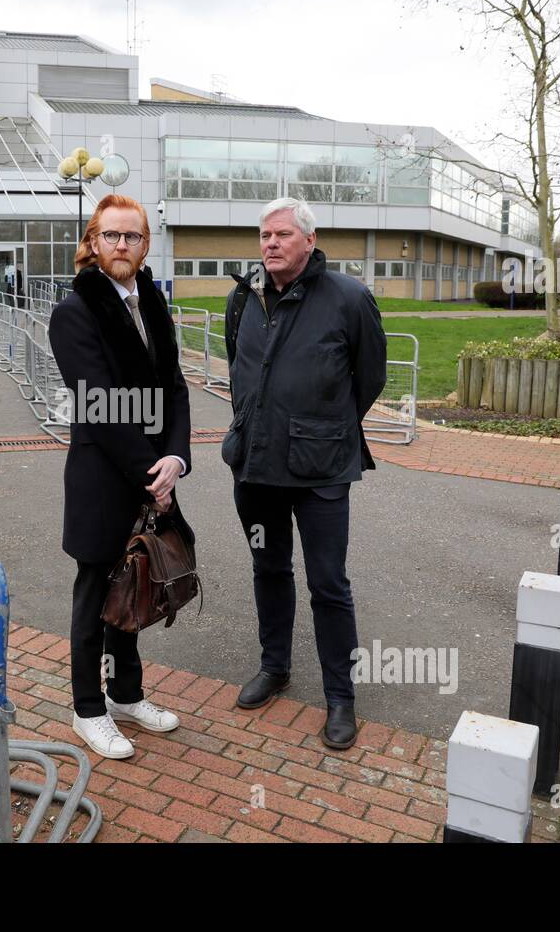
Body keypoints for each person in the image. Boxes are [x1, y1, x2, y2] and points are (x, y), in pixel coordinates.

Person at [221, 197, 388, 750]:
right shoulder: (243, 297)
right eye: (264, 235)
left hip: (320, 469)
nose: (270, 243)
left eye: (282, 235)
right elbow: (240, 371)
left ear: (309, 241)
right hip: (256, 465)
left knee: (328, 584)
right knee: (268, 568)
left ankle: (341, 697)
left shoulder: (348, 298)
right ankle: (276, 667)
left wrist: (325, 427)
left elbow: (369, 379)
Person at [48, 194, 194, 760]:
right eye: (111, 236)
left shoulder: (152, 301)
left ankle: (127, 695)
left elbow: (175, 386)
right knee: (93, 594)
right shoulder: (75, 311)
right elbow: (98, 402)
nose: (122, 246)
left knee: (135, 585)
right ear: (92, 241)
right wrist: (148, 472)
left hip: (156, 473)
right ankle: (88, 709)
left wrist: (176, 459)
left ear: (144, 244)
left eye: (132, 237)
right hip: (105, 476)